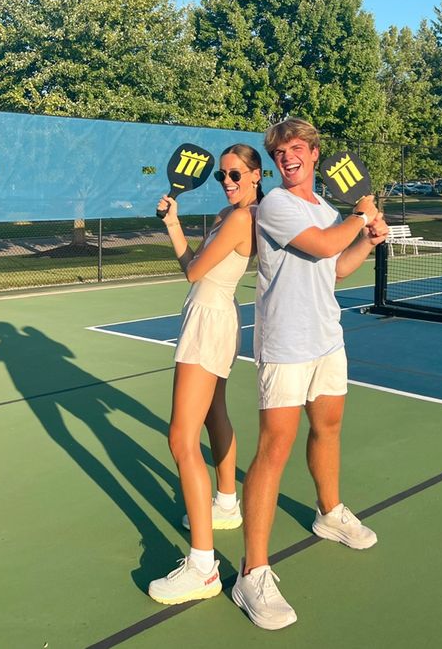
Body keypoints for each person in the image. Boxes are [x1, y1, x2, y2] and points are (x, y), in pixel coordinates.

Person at [232, 118, 389, 629]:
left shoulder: (323, 207)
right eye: (279, 152)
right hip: (284, 346)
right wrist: (362, 214)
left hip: (327, 341)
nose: (287, 157)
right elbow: (322, 245)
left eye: (296, 148)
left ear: (315, 154)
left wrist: (369, 238)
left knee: (329, 428)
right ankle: (251, 572)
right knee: (274, 449)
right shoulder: (274, 205)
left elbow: (337, 267)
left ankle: (329, 512)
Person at [147, 143, 263, 606]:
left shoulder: (239, 217)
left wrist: (178, 230)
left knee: (180, 439)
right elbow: (192, 269)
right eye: (222, 176)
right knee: (216, 413)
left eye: (236, 175)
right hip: (217, 315)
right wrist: (174, 223)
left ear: (257, 175)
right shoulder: (228, 213)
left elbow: (195, 271)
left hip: (209, 320)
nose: (228, 182)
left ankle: (202, 566)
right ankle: (227, 504)